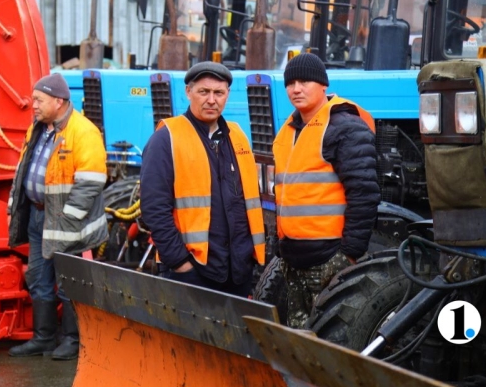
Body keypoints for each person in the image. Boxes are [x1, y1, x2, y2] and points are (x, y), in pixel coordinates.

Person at [273, 53, 380, 328]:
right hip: (293, 261)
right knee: (298, 342)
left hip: (329, 260)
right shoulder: (288, 130)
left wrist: (350, 253)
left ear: (322, 85)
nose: (296, 89)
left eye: (304, 81)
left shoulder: (345, 127)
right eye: (290, 83)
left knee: (330, 341)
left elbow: (364, 193)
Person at [140, 62, 265, 297]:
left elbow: (249, 201)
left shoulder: (237, 137)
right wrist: (180, 264)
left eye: (218, 93)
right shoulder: (167, 138)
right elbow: (154, 209)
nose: (211, 100)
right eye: (203, 92)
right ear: (188, 92)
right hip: (191, 273)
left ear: (227, 94)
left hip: (237, 273)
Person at [8, 73, 108, 360]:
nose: (33, 105)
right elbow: (22, 172)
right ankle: (43, 338)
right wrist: (12, 208)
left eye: (39, 100)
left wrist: (67, 219)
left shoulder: (84, 132)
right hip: (39, 219)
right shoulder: (37, 129)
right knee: (39, 277)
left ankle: (73, 340)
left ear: (59, 101)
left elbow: (89, 183)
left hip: (68, 224)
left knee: (68, 283)